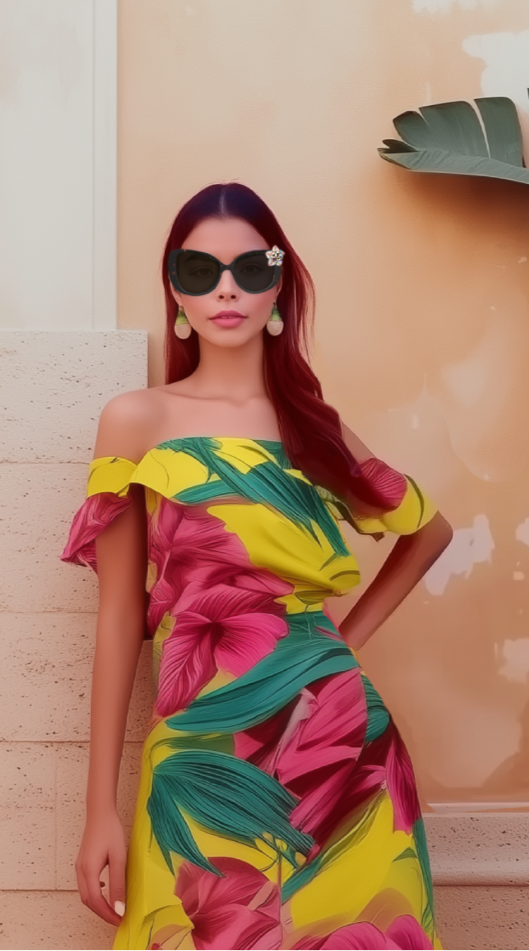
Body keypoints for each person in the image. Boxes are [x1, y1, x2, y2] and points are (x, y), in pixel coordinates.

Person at [62, 183, 454, 950]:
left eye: (249, 266)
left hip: (341, 748)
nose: (227, 288)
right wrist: (98, 806)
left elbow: (427, 531)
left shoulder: (314, 429)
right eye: (199, 270)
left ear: (279, 283)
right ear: (174, 289)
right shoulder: (136, 420)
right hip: (201, 751)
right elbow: (117, 619)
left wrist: (340, 638)